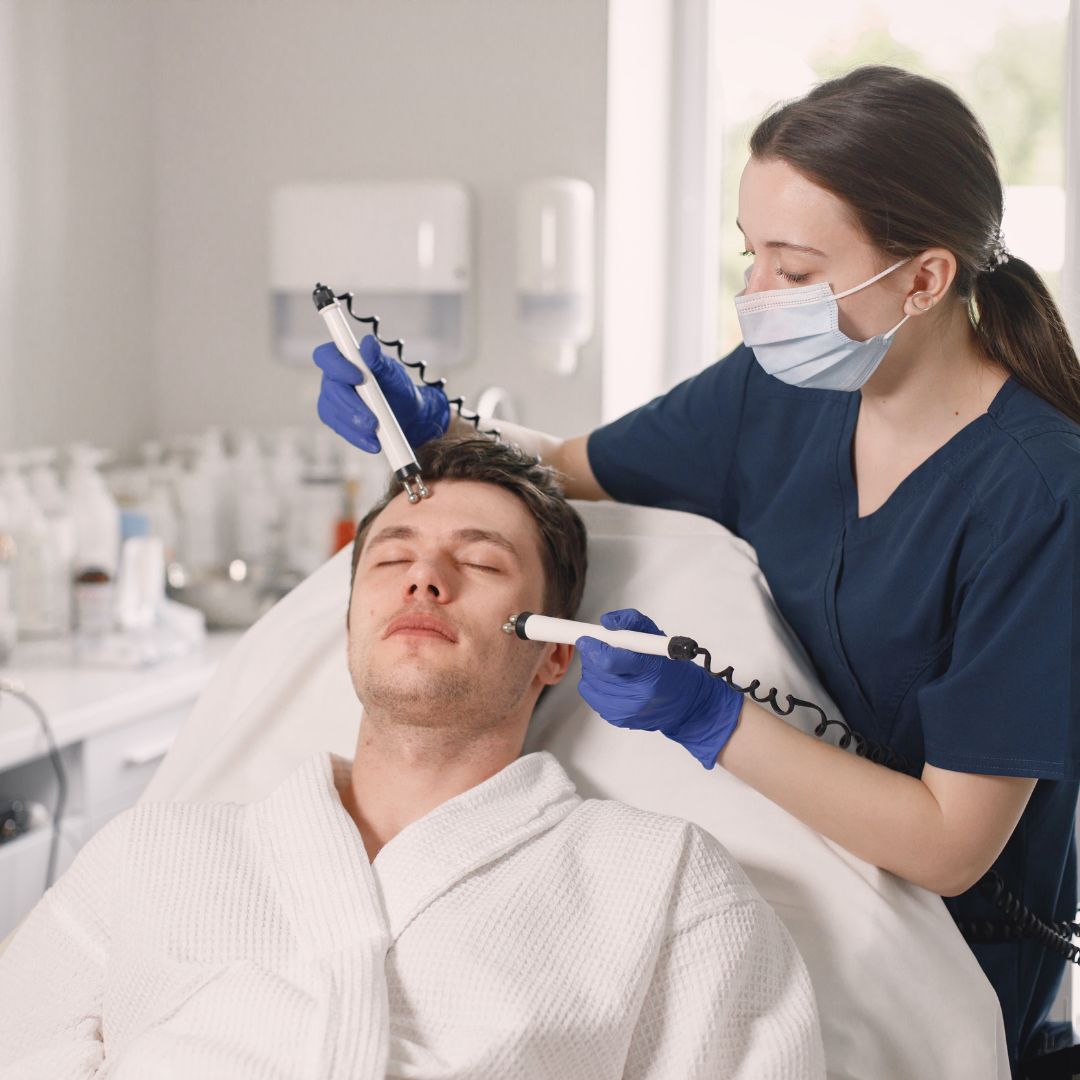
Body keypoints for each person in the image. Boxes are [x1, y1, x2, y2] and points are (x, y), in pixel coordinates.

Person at [314, 66, 1080, 1077]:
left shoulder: (1041, 494)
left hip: (937, 963)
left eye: (797, 271)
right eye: (749, 254)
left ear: (927, 279)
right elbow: (570, 468)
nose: (756, 298)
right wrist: (432, 422)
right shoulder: (778, 391)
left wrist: (710, 717)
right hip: (756, 893)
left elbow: (952, 846)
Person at [0, 435, 824, 1079]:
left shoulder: (664, 885)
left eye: (481, 561)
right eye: (392, 558)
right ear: (350, 624)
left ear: (555, 654)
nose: (424, 578)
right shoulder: (149, 853)